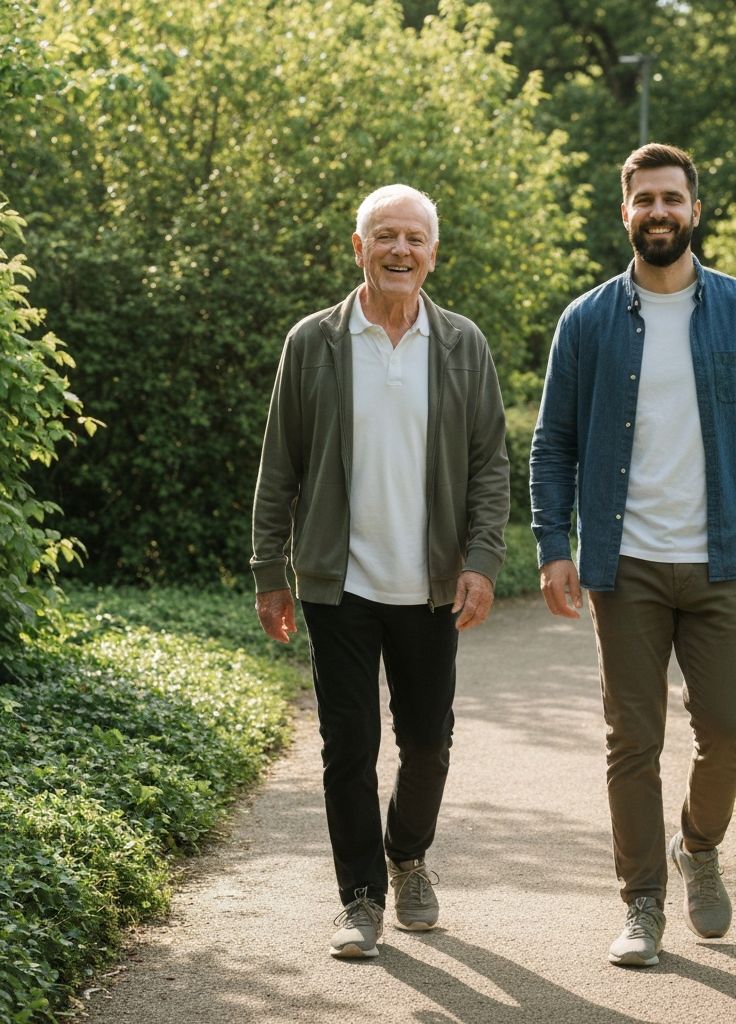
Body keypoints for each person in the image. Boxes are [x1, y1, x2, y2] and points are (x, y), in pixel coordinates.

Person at [530, 143, 736, 967]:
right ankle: (642, 904)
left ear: (695, 210)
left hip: (723, 556)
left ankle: (700, 844)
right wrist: (554, 547)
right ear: (626, 212)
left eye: (672, 199)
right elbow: (554, 445)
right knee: (633, 740)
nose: (659, 212)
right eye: (644, 199)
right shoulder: (586, 322)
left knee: (727, 731)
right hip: (628, 566)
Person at [251, 184, 509, 959]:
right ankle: (360, 898)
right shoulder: (314, 341)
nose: (401, 250)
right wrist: (269, 568)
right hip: (340, 583)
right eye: (385, 236)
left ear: (433, 253)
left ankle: (407, 856)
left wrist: (483, 560)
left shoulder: (463, 344)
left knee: (428, 742)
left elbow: (489, 465)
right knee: (348, 745)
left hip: (431, 585)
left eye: (415, 239)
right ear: (357, 246)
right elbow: (281, 463)